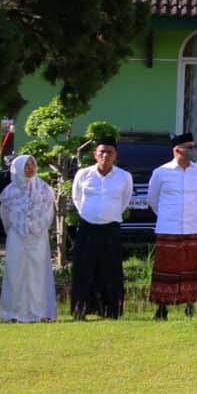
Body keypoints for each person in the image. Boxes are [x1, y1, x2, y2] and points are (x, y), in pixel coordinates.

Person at [143, 132, 197, 321]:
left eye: (194, 147)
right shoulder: (161, 172)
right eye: (189, 147)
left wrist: (192, 211)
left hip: (192, 227)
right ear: (177, 150)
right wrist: (168, 215)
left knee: (189, 267)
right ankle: (161, 308)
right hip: (168, 228)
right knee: (165, 268)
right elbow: (152, 199)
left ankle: (190, 306)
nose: (193, 151)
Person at [69, 135, 132, 319]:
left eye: (109, 152)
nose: (105, 155)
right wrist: (91, 214)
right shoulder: (83, 174)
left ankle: (111, 310)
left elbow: (124, 201)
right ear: (95, 155)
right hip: (87, 227)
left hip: (110, 228)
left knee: (110, 270)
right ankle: (81, 310)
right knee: (83, 269)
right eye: (102, 152)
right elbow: (77, 198)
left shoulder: (124, 177)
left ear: (115, 156)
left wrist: (107, 214)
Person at [0, 152, 58, 324]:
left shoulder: (44, 189)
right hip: (16, 236)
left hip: (38, 237)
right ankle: (13, 312)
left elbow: (48, 214)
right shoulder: (9, 192)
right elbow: (5, 217)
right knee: (15, 272)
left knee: (38, 272)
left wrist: (35, 227)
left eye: (32, 165)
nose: (30, 169)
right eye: (26, 166)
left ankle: (40, 311)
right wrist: (18, 228)